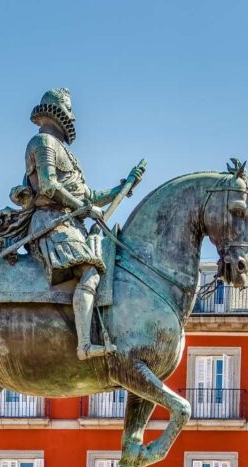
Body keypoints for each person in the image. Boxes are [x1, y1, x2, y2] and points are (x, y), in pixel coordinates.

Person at [23, 88, 144, 360]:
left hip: (70, 224)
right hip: (51, 223)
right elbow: (48, 186)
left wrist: (122, 187)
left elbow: (88, 195)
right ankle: (85, 345)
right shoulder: (42, 143)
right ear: (58, 114)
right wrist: (83, 208)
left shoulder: (66, 153)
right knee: (90, 269)